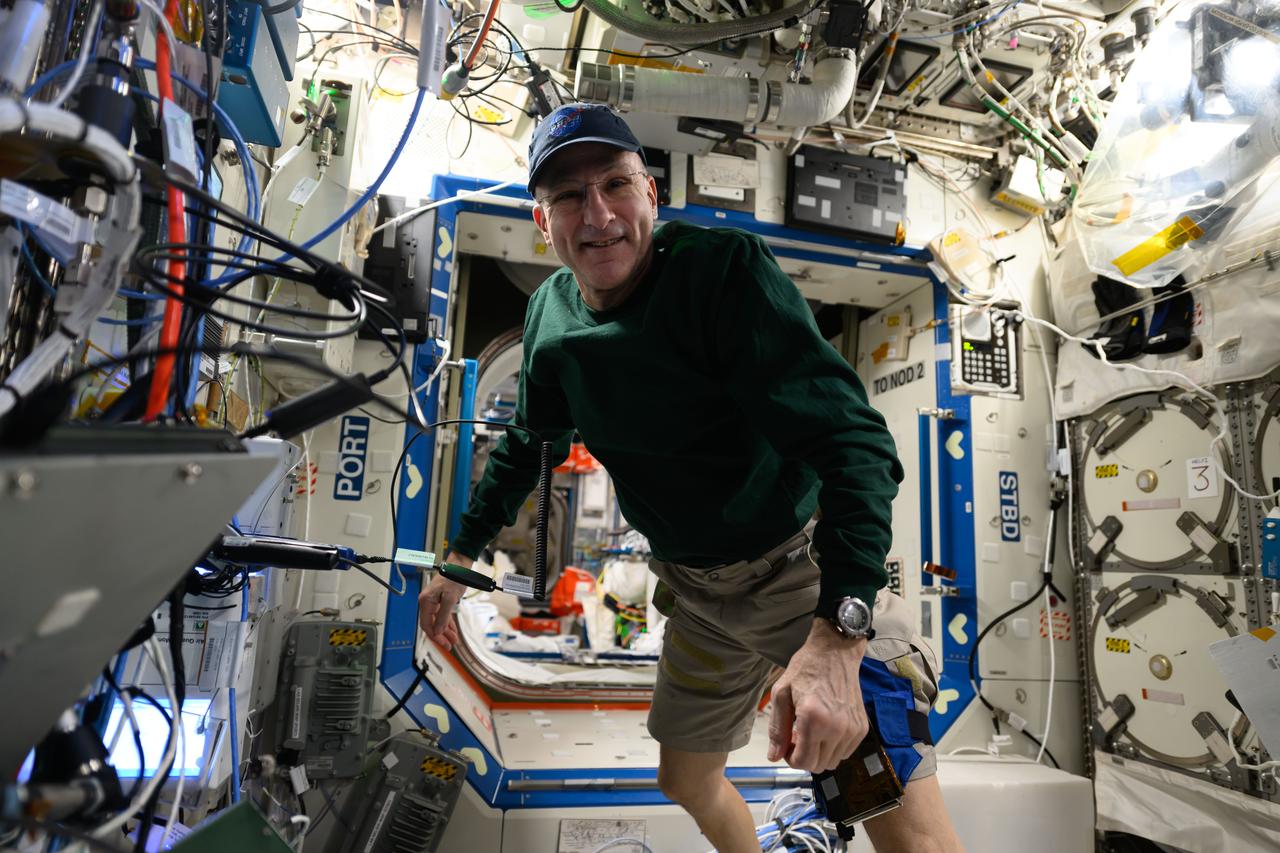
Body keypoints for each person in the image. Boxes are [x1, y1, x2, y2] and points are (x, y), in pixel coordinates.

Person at [418, 103, 963, 853]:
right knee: (685, 779)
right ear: (543, 224)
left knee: (899, 818)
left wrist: (839, 635)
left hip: (795, 573)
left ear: (651, 195)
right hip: (699, 593)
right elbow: (527, 444)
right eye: (570, 196)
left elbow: (856, 443)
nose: (598, 213)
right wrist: (460, 553)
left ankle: (859, 709)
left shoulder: (721, 274)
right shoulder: (549, 317)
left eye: (615, 183)